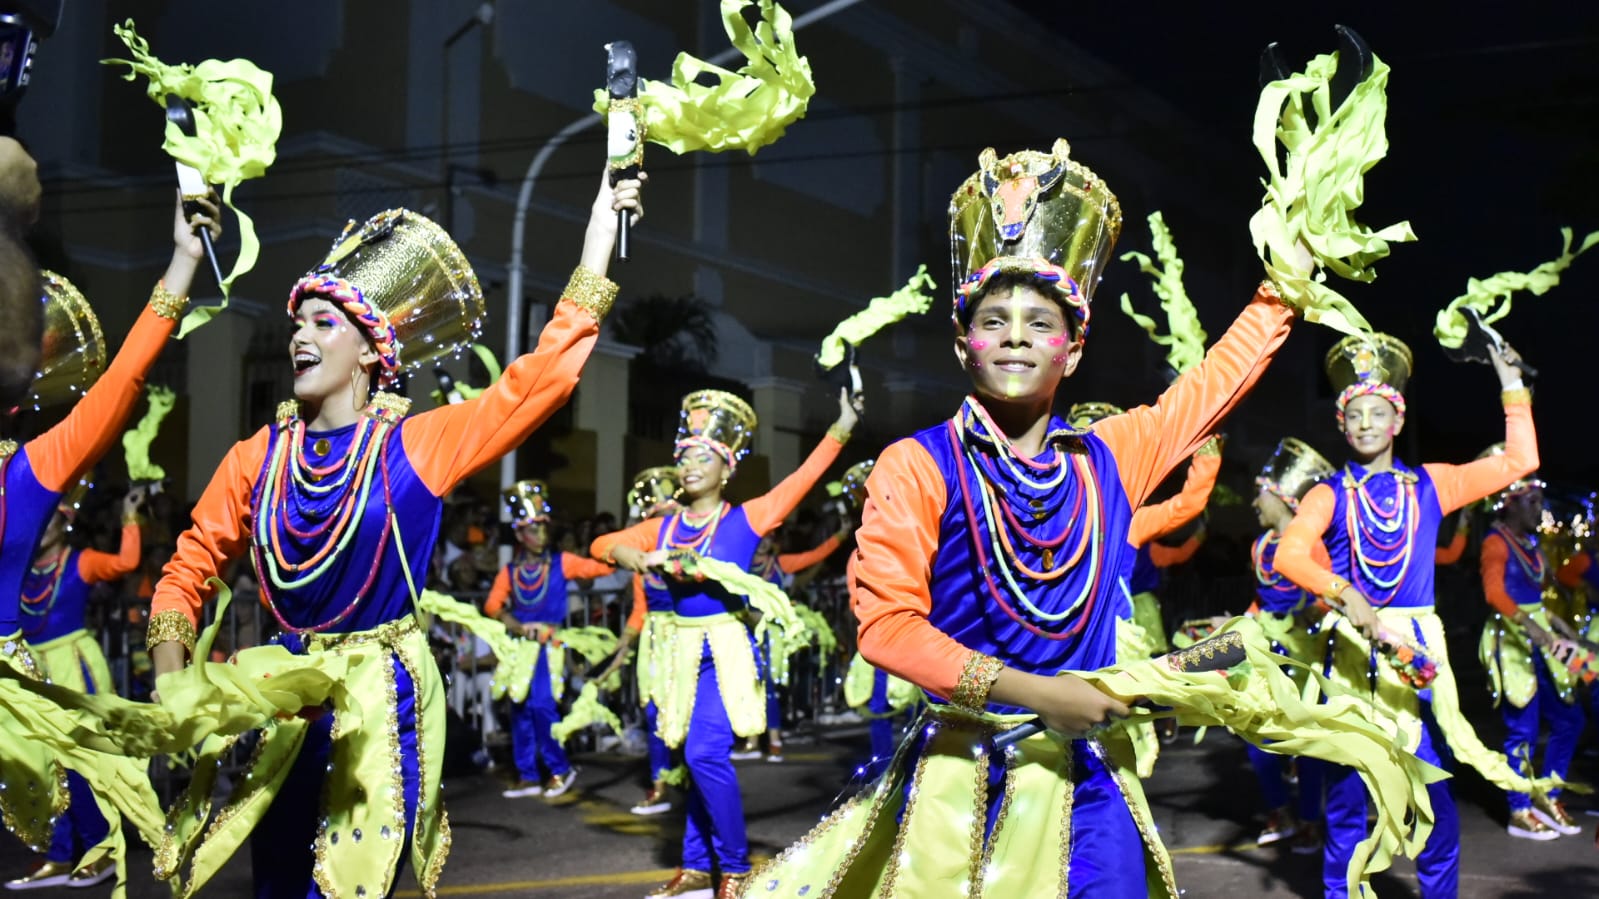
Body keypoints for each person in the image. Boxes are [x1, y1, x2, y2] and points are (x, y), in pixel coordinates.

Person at [752, 138, 1297, 898]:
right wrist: (1040, 693)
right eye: (994, 318)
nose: (1015, 334)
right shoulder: (918, 463)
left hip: (1085, 774)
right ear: (960, 342)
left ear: (1071, 352)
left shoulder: (1110, 456)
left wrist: (1285, 281)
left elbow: (1212, 384)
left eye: (1041, 322)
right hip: (962, 777)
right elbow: (885, 627)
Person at [147, 172, 643, 898]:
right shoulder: (256, 455)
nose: (299, 336)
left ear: (370, 352)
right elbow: (187, 568)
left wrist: (599, 229)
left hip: (377, 699)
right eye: (297, 322)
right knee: (278, 882)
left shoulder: (419, 445)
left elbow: (541, 380)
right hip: (282, 700)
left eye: (322, 322)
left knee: (348, 885)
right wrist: (172, 684)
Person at [1275, 332, 1538, 899]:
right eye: (1355, 415)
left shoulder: (1432, 484)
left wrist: (1510, 380)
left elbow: (1521, 460)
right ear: (1343, 426)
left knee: (1436, 807)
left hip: (1417, 657)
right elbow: (1288, 554)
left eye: (1378, 413)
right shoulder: (1327, 493)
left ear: (1396, 422)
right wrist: (1347, 595)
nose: (1366, 424)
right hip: (1350, 660)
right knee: (1346, 808)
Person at [0, 195, 216, 881]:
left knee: (81, 765)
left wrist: (184, 258)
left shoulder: (28, 472)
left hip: (18, 687)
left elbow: (123, 380)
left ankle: (86, 849)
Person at [594, 387, 859, 899]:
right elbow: (600, 546)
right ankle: (695, 865)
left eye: (703, 457)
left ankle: (735, 866)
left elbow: (803, 480)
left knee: (703, 754)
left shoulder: (747, 519)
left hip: (724, 652)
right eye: (685, 456)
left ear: (726, 467)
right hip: (676, 651)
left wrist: (842, 426)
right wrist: (632, 554)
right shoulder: (665, 525)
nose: (690, 465)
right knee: (691, 756)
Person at [7, 486, 144, 889]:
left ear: (65, 523)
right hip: (32, 665)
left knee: (79, 761)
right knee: (42, 763)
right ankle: (60, 855)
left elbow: (126, 562)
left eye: (49, 518)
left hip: (74, 664)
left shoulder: (80, 563)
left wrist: (130, 516)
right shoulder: (20, 570)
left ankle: (98, 851)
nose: (42, 525)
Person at [1474, 454, 1584, 839]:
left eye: (1540, 499)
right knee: (1521, 729)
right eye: (1533, 501)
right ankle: (1518, 809)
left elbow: (1536, 598)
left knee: (1571, 720)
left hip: (1539, 637)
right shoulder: (1495, 542)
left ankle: (1546, 794)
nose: (1540, 508)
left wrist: (1556, 625)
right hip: (1512, 641)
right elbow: (1494, 594)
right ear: (1511, 502)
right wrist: (1534, 629)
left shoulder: (1530, 544)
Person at [487, 479, 616, 799]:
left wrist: (616, 546)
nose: (540, 535)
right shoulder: (511, 571)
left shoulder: (563, 562)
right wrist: (515, 624)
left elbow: (599, 570)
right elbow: (492, 605)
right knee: (519, 707)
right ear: (519, 534)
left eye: (543, 527)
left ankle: (560, 768)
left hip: (550, 648)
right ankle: (528, 775)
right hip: (522, 649)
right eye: (533, 528)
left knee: (543, 705)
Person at [1243, 438, 1337, 852]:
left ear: (1280, 497)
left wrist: (1309, 613)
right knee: (1255, 733)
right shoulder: (1259, 546)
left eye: (1259, 493)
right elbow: (1261, 600)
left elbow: (1328, 594)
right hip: (1265, 652)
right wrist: (1238, 622)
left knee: (1306, 739)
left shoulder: (1312, 546)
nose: (1253, 504)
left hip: (1303, 655)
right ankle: (1279, 808)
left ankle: (1310, 820)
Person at [602, 466, 682, 816]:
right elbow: (639, 610)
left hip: (689, 637)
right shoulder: (642, 561)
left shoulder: (695, 549)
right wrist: (621, 649)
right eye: (656, 519)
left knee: (689, 712)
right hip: (654, 641)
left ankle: (690, 779)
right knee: (654, 712)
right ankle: (660, 783)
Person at [735, 521, 850, 763]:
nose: (765, 541)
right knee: (746, 685)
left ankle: (774, 741)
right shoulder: (740, 566)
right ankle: (753, 742)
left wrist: (840, 535)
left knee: (768, 685)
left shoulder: (779, 564)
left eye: (770, 536)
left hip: (771, 635)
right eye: (762, 536)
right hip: (744, 632)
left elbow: (814, 555)